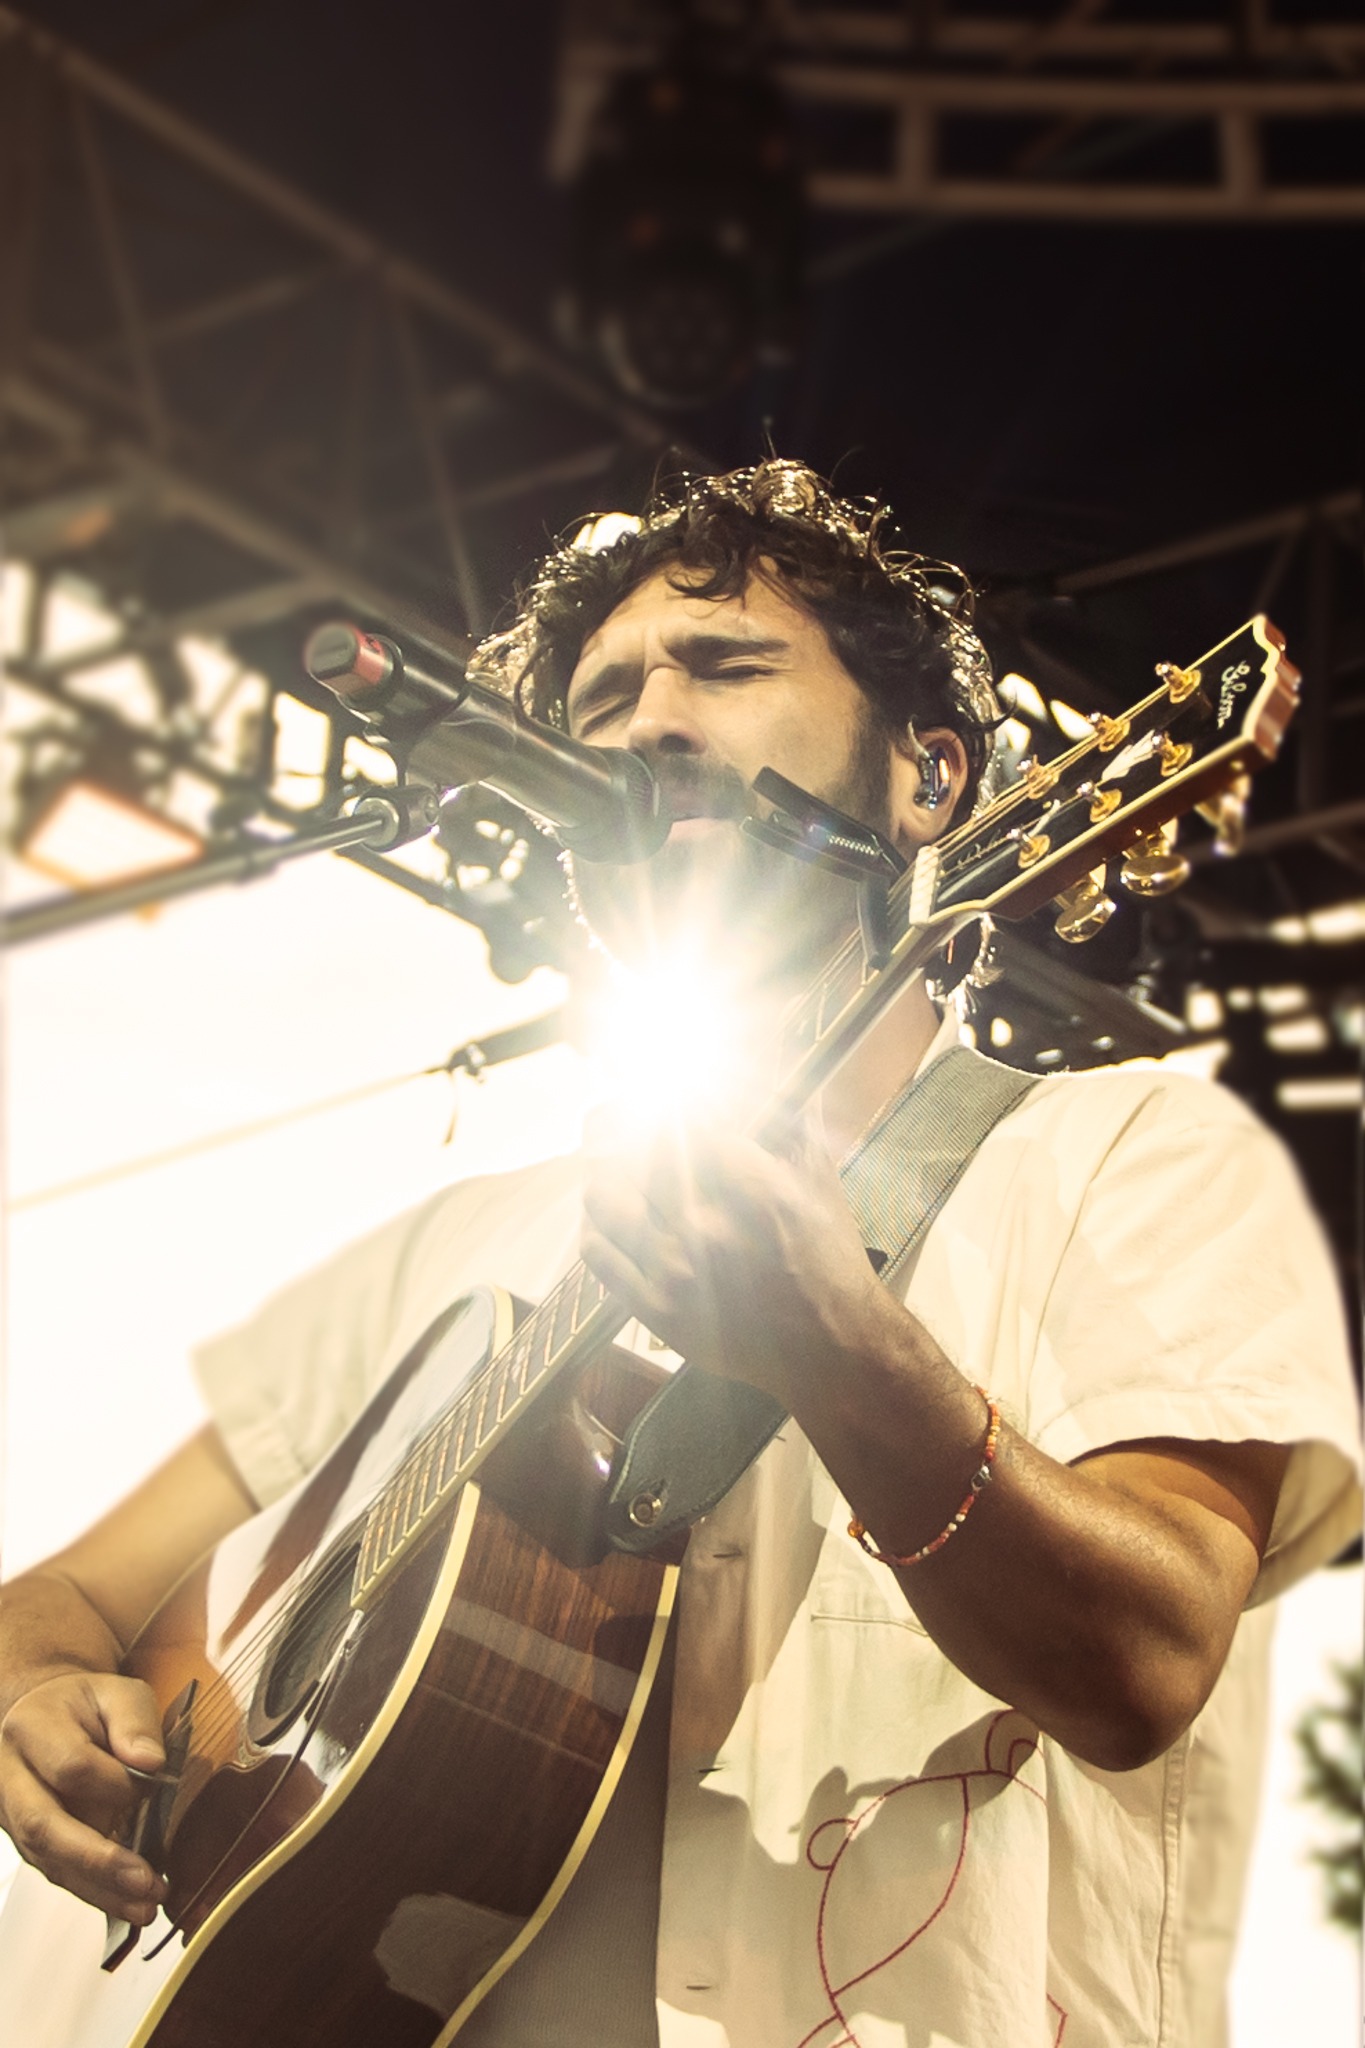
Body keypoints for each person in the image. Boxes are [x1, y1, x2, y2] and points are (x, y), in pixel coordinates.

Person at [0, 461, 1358, 2048]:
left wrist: (836, 1349)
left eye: (722, 666)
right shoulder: (450, 1251)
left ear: (930, 777)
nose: (647, 723)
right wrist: (34, 1701)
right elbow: (63, 1601)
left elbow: (1145, 1660)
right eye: (601, 700)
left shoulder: (1129, 1156)